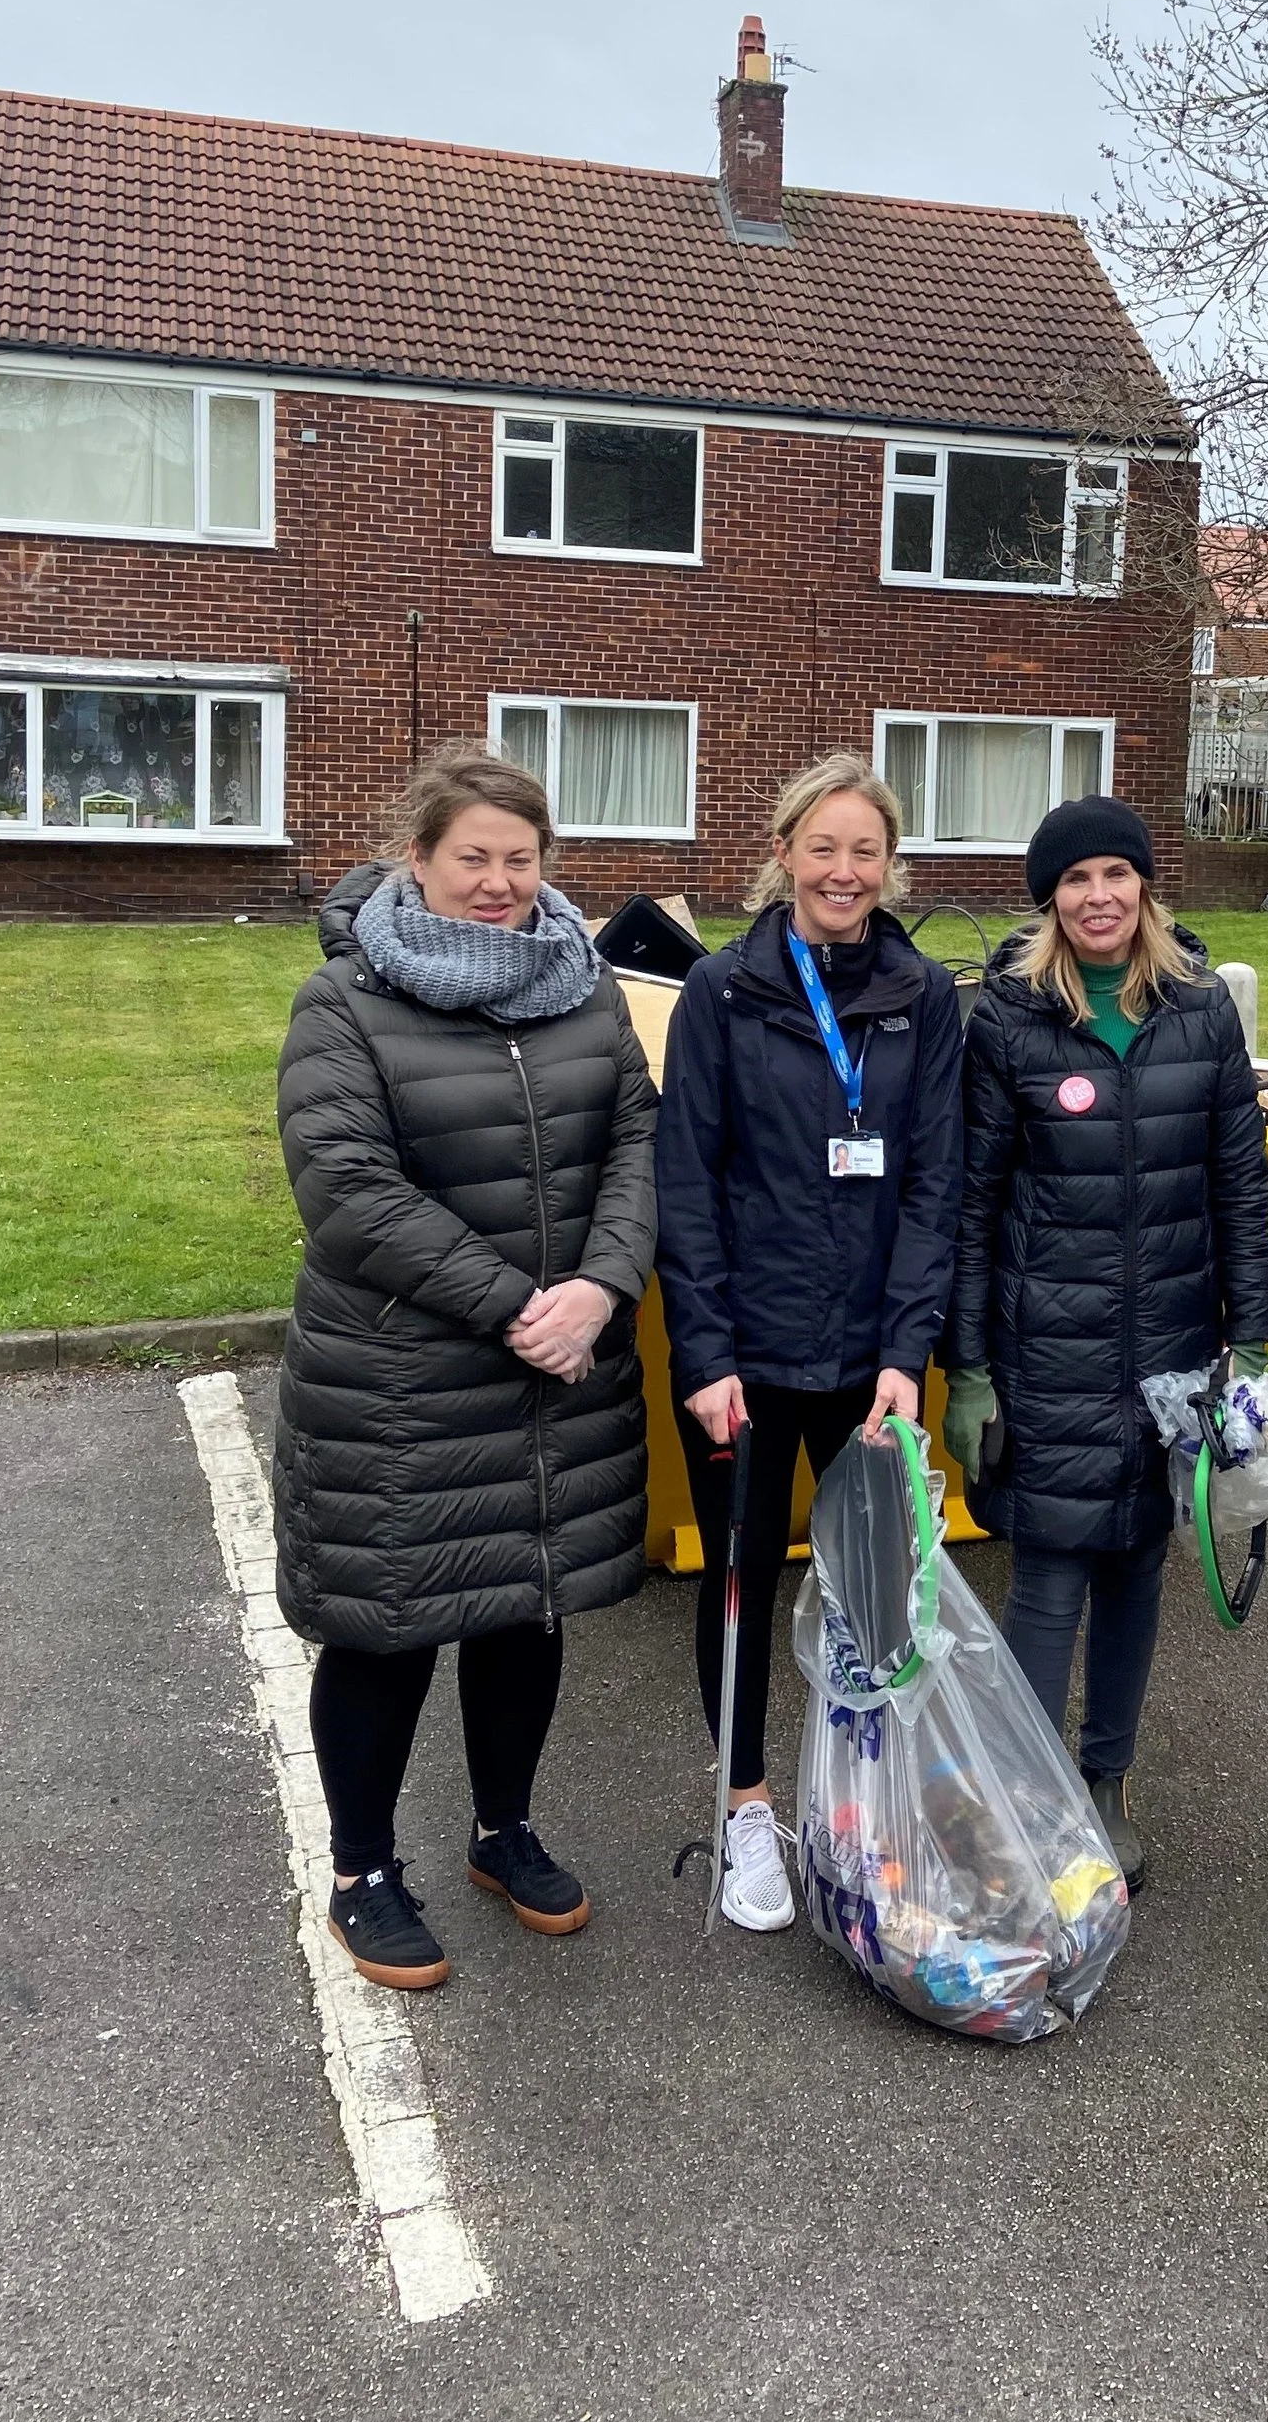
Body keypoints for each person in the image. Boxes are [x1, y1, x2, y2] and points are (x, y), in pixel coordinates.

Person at [272, 741, 659, 1993]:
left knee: (523, 1602)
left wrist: (601, 1286)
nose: (497, 883)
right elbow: (346, 1190)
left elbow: (638, 1144)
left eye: (520, 859)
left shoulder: (584, 987)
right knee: (391, 1625)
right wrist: (519, 1307)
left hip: (559, 1365)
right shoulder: (347, 1001)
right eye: (471, 859)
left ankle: (504, 1830)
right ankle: (363, 1871)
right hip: (402, 1384)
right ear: (418, 861)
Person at [944, 796, 1268, 1893]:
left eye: (1115, 877)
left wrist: (1253, 1344)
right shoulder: (1005, 1019)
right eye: (1074, 881)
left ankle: (1104, 1785)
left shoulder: (1200, 1012)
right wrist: (973, 1367)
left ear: (1145, 888)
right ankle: (1031, 1803)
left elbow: (1238, 1183)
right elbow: (971, 1201)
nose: (1098, 898)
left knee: (1137, 1565)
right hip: (1048, 1345)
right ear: (1049, 899)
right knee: (1048, 1576)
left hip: (1173, 1347)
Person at [655, 751, 965, 1933]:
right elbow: (686, 1185)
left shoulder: (922, 996)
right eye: (822, 848)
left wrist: (907, 1349)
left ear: (891, 868)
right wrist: (708, 1356)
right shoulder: (723, 996)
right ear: (782, 853)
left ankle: (862, 1802)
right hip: (746, 1354)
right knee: (740, 1582)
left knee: (879, 1594)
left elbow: (933, 1184)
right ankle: (744, 1812)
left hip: (869, 1360)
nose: (844, 871)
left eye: (866, 852)